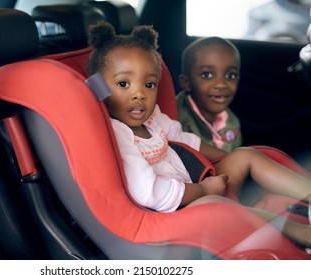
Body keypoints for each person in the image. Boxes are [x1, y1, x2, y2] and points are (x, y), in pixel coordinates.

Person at [86, 21, 311, 247]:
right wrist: (203, 190)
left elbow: (185, 140)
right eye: (124, 83)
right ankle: (298, 231)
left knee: (244, 155)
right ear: (100, 89)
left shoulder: (153, 119)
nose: (139, 94)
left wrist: (226, 160)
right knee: (215, 203)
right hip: (170, 214)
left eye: (149, 84)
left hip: (195, 187)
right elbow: (150, 193)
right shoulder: (119, 135)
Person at [176, 36, 242, 152]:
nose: (221, 84)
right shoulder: (177, 122)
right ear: (186, 83)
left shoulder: (232, 121)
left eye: (230, 75)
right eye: (207, 75)